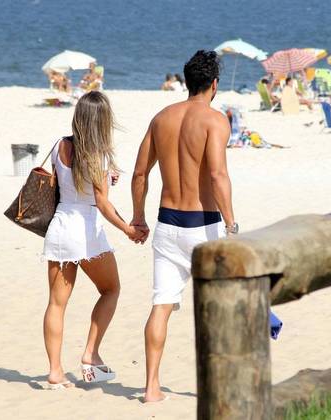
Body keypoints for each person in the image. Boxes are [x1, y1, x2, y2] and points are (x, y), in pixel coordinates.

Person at [130, 50, 237, 403]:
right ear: (214, 85)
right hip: (204, 227)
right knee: (221, 307)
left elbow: (140, 174)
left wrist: (138, 217)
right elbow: (218, 175)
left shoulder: (161, 118)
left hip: (166, 224)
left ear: (187, 81)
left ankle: (151, 388)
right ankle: (219, 388)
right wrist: (232, 224)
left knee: (161, 305)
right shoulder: (215, 121)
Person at [41, 91, 147, 389]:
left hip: (60, 226)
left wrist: (104, 176)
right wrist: (127, 228)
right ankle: (90, 353)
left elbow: (64, 184)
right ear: (102, 121)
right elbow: (100, 203)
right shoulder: (98, 154)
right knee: (111, 289)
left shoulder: (59, 145)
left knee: (56, 304)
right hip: (86, 230)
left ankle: (54, 372)